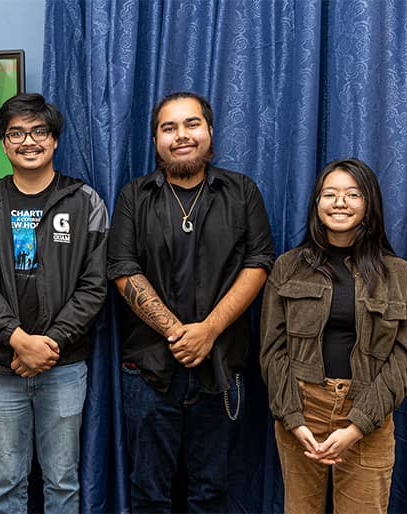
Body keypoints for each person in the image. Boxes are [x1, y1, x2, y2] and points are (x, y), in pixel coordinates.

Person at [107, 91, 275, 512]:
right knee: (148, 494)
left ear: (210, 132)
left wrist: (209, 331)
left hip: (220, 368)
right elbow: (123, 271)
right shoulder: (133, 196)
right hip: (148, 372)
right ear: (156, 139)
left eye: (192, 124)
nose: (181, 135)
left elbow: (258, 264)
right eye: (169, 128)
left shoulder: (241, 192)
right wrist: (177, 333)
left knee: (210, 493)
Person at [0, 93, 108, 514]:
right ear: (4, 144)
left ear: (54, 140)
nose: (28, 141)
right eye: (16, 133)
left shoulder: (85, 201)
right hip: (1, 369)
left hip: (65, 367)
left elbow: (94, 286)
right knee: (7, 485)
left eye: (39, 131)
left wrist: (47, 345)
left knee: (62, 482)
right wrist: (18, 340)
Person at [259, 158, 407, 513]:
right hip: (303, 411)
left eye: (353, 194)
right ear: (316, 204)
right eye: (329, 194)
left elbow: (405, 362)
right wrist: (292, 418)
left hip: (369, 413)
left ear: (369, 205)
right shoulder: (288, 267)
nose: (339, 202)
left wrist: (356, 426)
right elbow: (272, 351)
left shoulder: (400, 276)